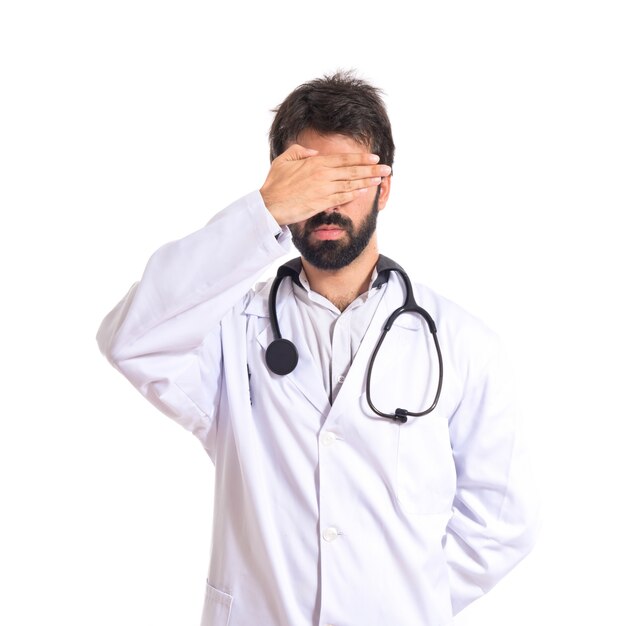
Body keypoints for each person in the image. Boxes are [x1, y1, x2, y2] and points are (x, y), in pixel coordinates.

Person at [97, 70, 539, 626]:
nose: (328, 204)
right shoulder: (228, 330)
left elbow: (501, 522)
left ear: (384, 187)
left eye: (347, 179)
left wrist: (404, 599)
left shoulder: (460, 342)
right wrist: (260, 214)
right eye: (310, 181)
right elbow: (129, 338)